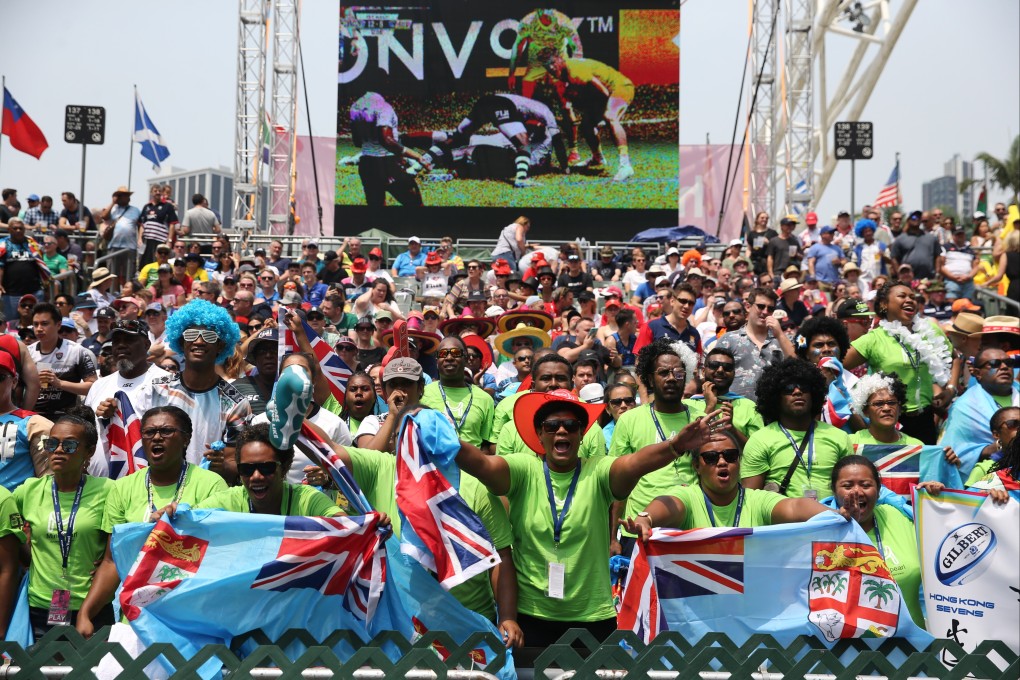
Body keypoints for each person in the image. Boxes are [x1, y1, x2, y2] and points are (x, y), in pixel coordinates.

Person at [456, 388, 725, 646]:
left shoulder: (598, 471)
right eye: (552, 425)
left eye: (571, 425)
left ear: (582, 433)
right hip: (530, 615)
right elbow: (481, 464)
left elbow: (635, 463)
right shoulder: (523, 469)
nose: (562, 430)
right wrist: (438, 435)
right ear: (539, 434)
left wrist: (675, 446)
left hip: (593, 616)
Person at [74, 406, 228, 638]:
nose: (156, 437)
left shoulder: (211, 484)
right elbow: (112, 561)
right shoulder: (123, 488)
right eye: (148, 432)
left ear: (185, 439)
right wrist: (85, 612)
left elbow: (217, 554)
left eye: (166, 431)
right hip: (136, 617)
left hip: (191, 617)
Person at [13, 406, 113, 638]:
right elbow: (8, 529)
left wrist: (114, 557)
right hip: (40, 606)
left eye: (68, 445)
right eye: (52, 444)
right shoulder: (28, 491)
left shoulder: (108, 491)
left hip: (92, 606)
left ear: (89, 452)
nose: (58, 450)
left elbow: (126, 538)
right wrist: (24, 553)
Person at [623, 432, 831, 537]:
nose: (722, 462)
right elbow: (667, 504)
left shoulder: (756, 499)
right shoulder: (689, 496)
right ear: (696, 465)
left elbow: (795, 506)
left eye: (730, 456)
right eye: (712, 457)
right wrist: (645, 519)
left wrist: (831, 515)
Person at [830, 455, 944, 628]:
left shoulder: (897, 516)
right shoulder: (821, 530)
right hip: (847, 649)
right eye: (847, 486)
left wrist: (936, 503)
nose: (857, 492)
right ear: (833, 490)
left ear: (879, 489)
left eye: (866, 485)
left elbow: (949, 534)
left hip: (911, 645)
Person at [149, 300, 251, 482]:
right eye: (191, 334)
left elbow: (236, 460)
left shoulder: (236, 403)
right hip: (156, 489)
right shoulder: (156, 390)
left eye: (209, 336)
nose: (199, 341)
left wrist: (222, 466)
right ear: (181, 341)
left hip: (207, 496)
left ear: (221, 346)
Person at [843, 281, 955, 444]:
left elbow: (956, 357)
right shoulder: (874, 339)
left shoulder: (929, 330)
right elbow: (834, 367)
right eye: (902, 296)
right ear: (884, 304)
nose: (910, 300)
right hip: (889, 419)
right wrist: (852, 402)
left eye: (912, 297)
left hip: (926, 418)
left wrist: (950, 389)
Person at [741, 358, 853, 497]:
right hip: (783, 518)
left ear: (814, 393)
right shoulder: (760, 440)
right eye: (788, 388)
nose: (797, 391)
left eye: (804, 387)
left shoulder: (839, 437)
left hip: (833, 516)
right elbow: (750, 499)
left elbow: (852, 487)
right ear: (775, 397)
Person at [196, 423, 341, 516]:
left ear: (284, 468)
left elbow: (346, 527)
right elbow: (188, 519)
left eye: (266, 468)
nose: (256, 476)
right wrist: (174, 514)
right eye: (246, 469)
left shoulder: (308, 501)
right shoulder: (229, 501)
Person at [85, 320, 170, 476]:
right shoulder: (99, 386)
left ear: (146, 344)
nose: (121, 345)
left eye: (129, 340)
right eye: (116, 341)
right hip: (100, 485)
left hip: (148, 484)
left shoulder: (168, 383)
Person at [538, 48, 636, 181]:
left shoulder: (575, 71)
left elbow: (604, 92)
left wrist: (602, 113)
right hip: (605, 94)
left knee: (610, 116)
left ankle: (625, 165)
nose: (550, 67)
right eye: (546, 65)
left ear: (560, 58)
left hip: (620, 87)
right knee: (586, 125)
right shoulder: (562, 78)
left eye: (553, 62)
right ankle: (597, 158)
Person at [940, 346, 1018, 479]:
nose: (1004, 367)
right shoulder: (964, 407)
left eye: (1009, 363)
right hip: (990, 477)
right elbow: (952, 452)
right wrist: (995, 448)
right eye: (995, 364)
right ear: (977, 373)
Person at [714, 287, 795, 398]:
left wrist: (780, 334)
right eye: (761, 306)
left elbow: (797, 366)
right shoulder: (728, 339)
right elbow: (714, 374)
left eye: (770, 309)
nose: (765, 312)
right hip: (736, 410)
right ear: (748, 306)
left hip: (772, 410)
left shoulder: (782, 339)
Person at [349, 92, 427, 207]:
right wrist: (417, 156)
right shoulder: (383, 107)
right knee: (416, 205)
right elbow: (387, 140)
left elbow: (357, 142)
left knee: (377, 212)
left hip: (367, 165)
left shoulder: (355, 107)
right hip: (388, 165)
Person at [421, 336, 495, 449]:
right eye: (443, 353)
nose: (449, 357)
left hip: (473, 466)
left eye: (455, 353)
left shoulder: (485, 399)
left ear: (465, 358)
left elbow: (486, 446)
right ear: (437, 360)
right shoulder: (422, 394)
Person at [29, 302, 98, 420]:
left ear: (58, 325)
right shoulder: (27, 352)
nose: (39, 329)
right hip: (34, 418)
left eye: (44, 324)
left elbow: (94, 387)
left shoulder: (77, 351)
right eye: (36, 324)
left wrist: (59, 383)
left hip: (67, 418)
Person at [689, 346, 763, 446]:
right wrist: (710, 406)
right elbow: (686, 446)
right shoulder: (687, 405)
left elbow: (757, 450)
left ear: (734, 373)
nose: (720, 370)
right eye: (714, 365)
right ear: (703, 371)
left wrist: (732, 430)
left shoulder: (749, 407)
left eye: (727, 367)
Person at [0, 350, 51, 490]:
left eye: (0, 377)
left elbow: (49, 481)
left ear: (14, 382)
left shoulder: (35, 424)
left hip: (14, 509)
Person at [633, 283, 702, 356]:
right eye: (683, 301)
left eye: (691, 303)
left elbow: (698, 363)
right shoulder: (651, 326)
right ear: (672, 301)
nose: (687, 306)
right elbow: (639, 359)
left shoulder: (694, 333)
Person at [0, 218, 46, 323]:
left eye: (20, 228)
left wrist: (45, 282)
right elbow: (0, 266)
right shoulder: (3, 244)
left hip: (34, 291)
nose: (18, 231)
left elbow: (40, 263)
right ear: (9, 229)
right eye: (15, 228)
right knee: (12, 324)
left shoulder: (32, 243)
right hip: (11, 293)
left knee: (38, 321)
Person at [890, 210, 940, 280]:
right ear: (908, 220)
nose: (916, 219)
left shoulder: (931, 238)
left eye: (919, 217)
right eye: (913, 217)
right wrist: (899, 274)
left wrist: (937, 273)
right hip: (908, 279)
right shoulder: (900, 239)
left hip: (929, 278)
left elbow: (937, 256)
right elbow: (894, 257)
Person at [601, 381, 637, 449]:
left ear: (635, 404)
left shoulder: (647, 423)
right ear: (608, 409)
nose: (623, 405)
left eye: (628, 400)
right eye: (616, 402)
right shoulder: (604, 435)